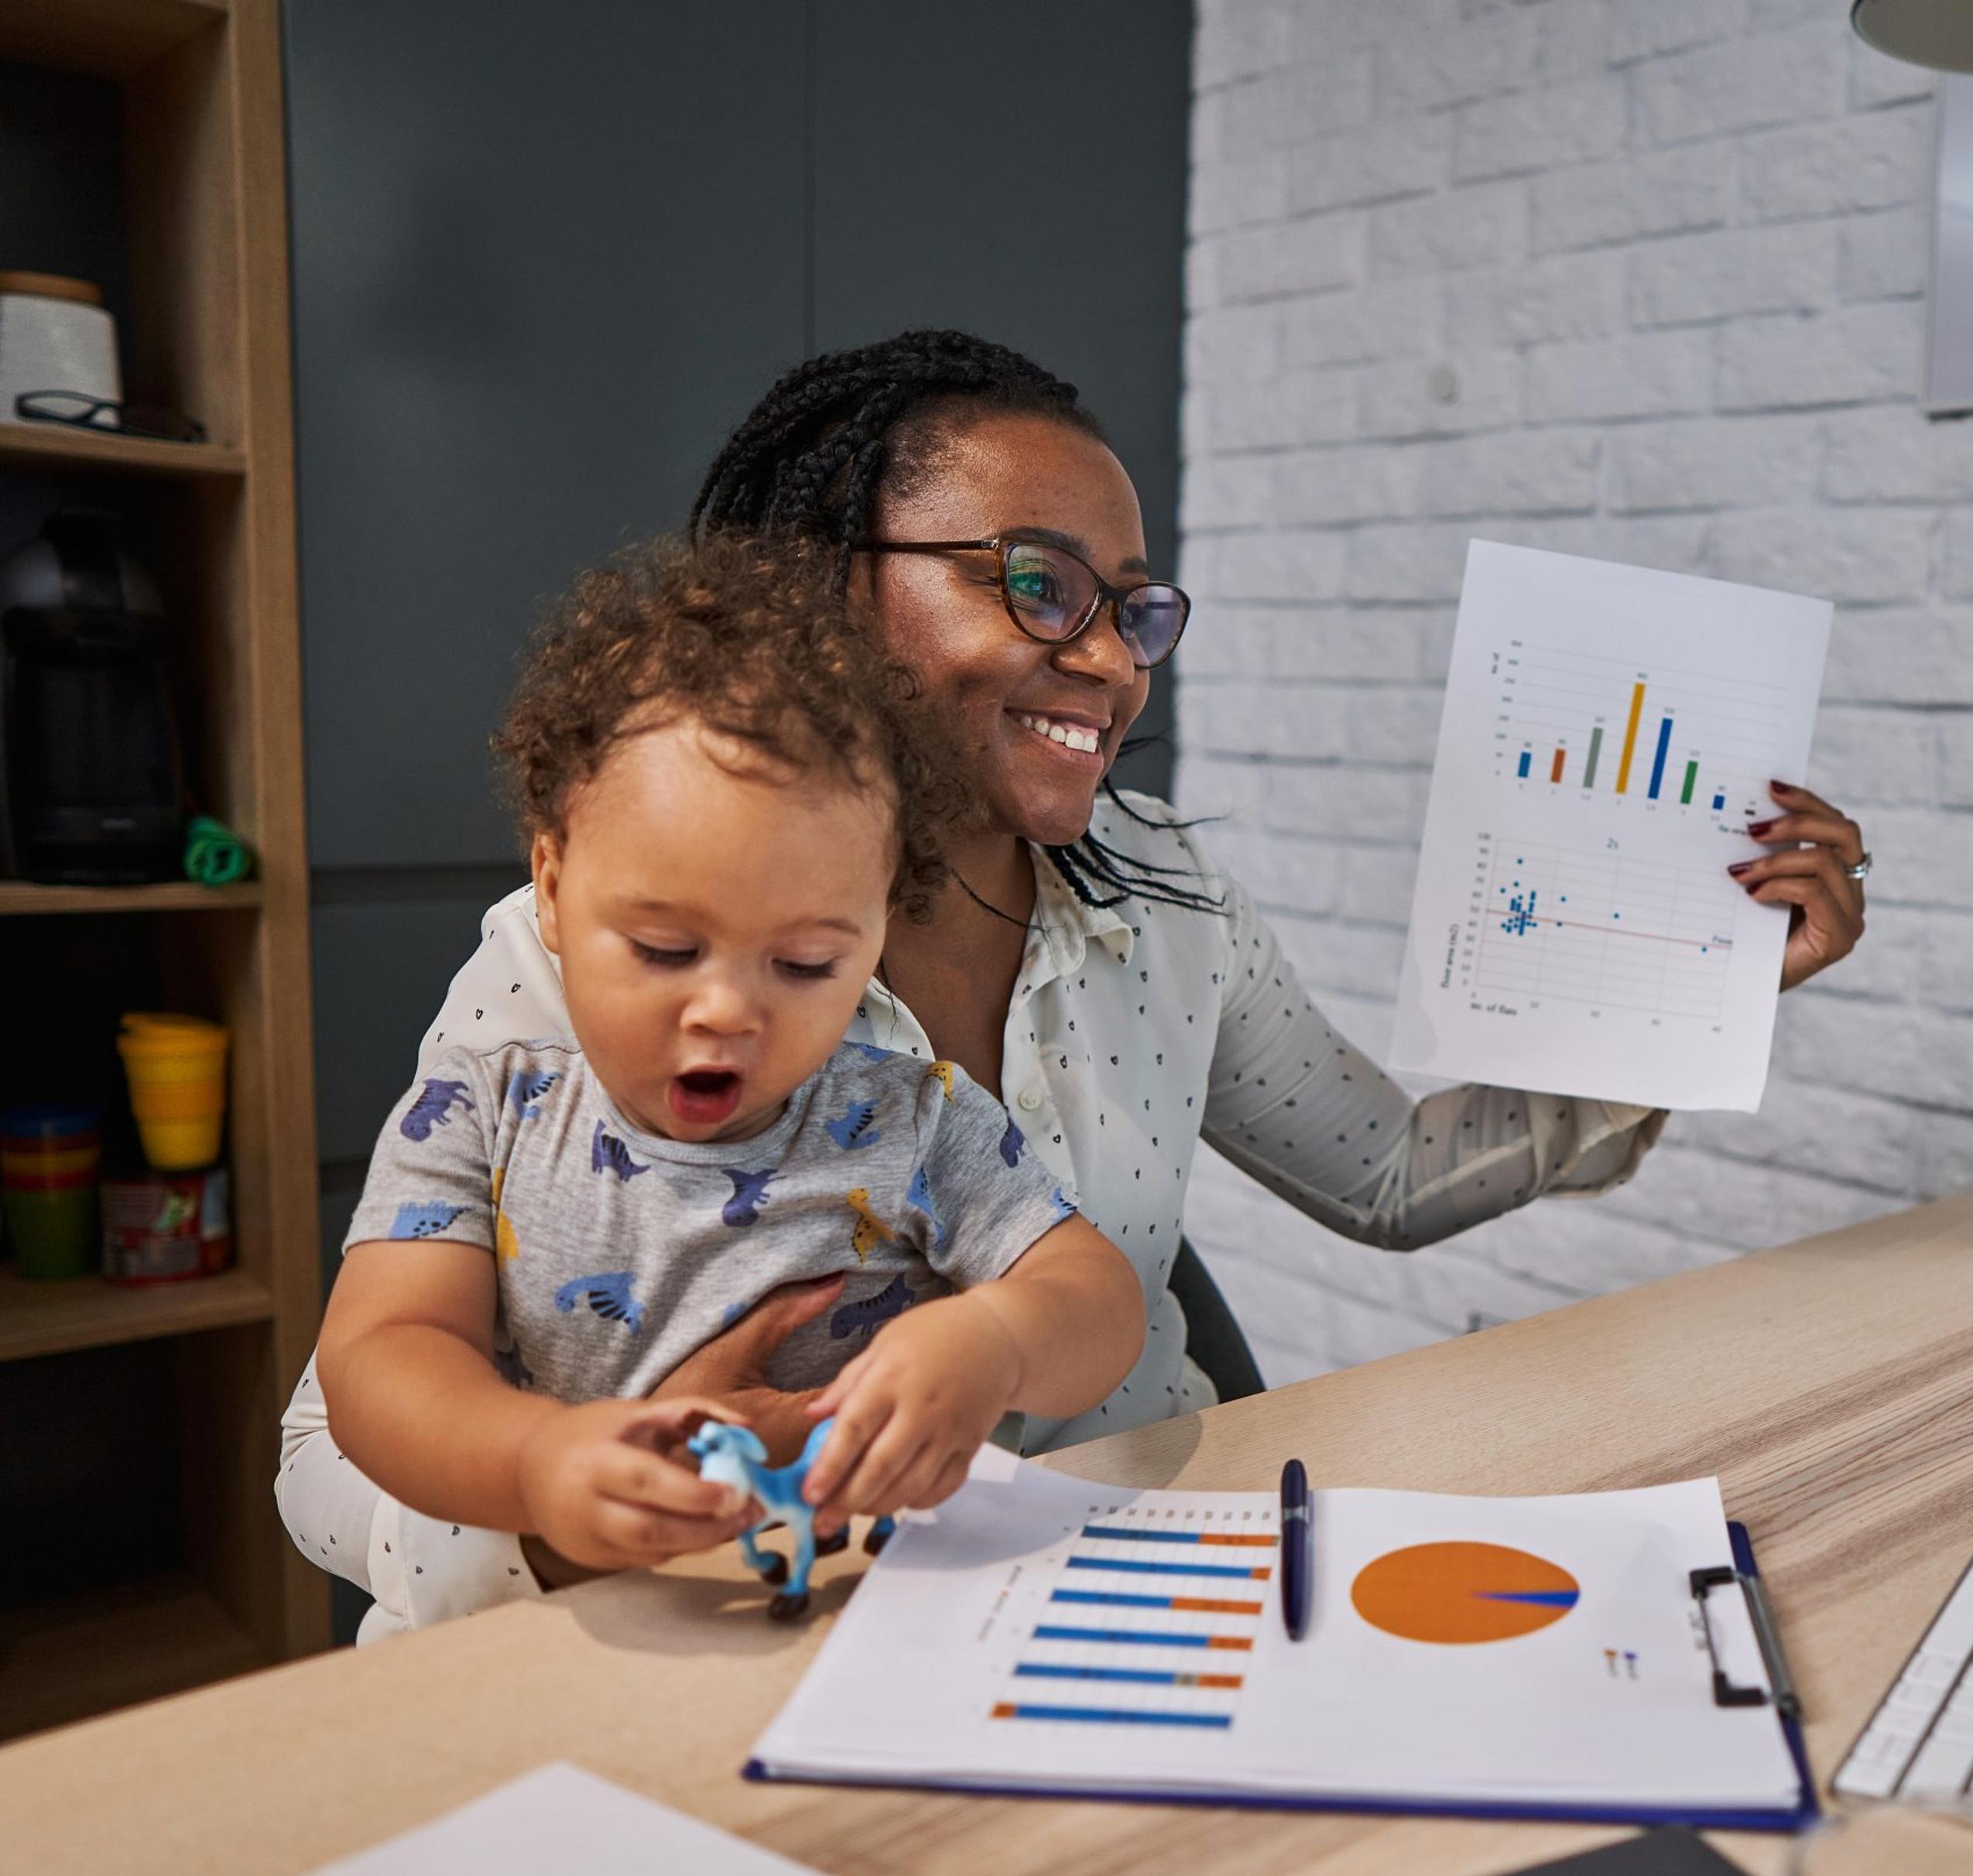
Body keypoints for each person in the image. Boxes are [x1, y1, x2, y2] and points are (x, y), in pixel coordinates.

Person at [279, 328, 1872, 1635]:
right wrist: (575, 1515)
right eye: (1036, 585)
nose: (1112, 661)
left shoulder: (1162, 895)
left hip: (1103, 1600)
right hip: (714, 1639)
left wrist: (1699, 978)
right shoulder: (587, 960)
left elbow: (1390, 1176)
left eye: (1133, 611)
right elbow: (323, 1459)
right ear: (830, 586)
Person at [298, 532, 1140, 1622]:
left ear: (880, 924)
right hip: (572, 1632)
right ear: (551, 889)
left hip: (851, 1626)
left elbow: (1097, 1297)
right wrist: (535, 1463)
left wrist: (999, 1339)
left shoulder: (911, 1117)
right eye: (663, 949)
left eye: (804, 964)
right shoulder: (481, 1111)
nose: (728, 1010)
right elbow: (381, 1355)